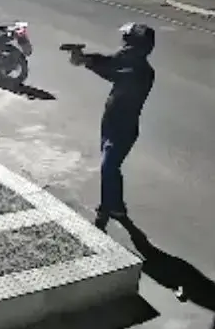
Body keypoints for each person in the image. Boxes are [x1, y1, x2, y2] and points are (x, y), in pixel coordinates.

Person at [66, 22, 156, 229]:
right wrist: (86, 57)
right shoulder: (128, 60)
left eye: (127, 41)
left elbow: (114, 74)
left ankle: (106, 209)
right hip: (110, 123)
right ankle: (117, 207)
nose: (123, 45)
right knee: (111, 168)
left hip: (124, 129)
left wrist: (87, 63)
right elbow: (109, 61)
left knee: (109, 167)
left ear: (136, 46)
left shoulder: (144, 72)